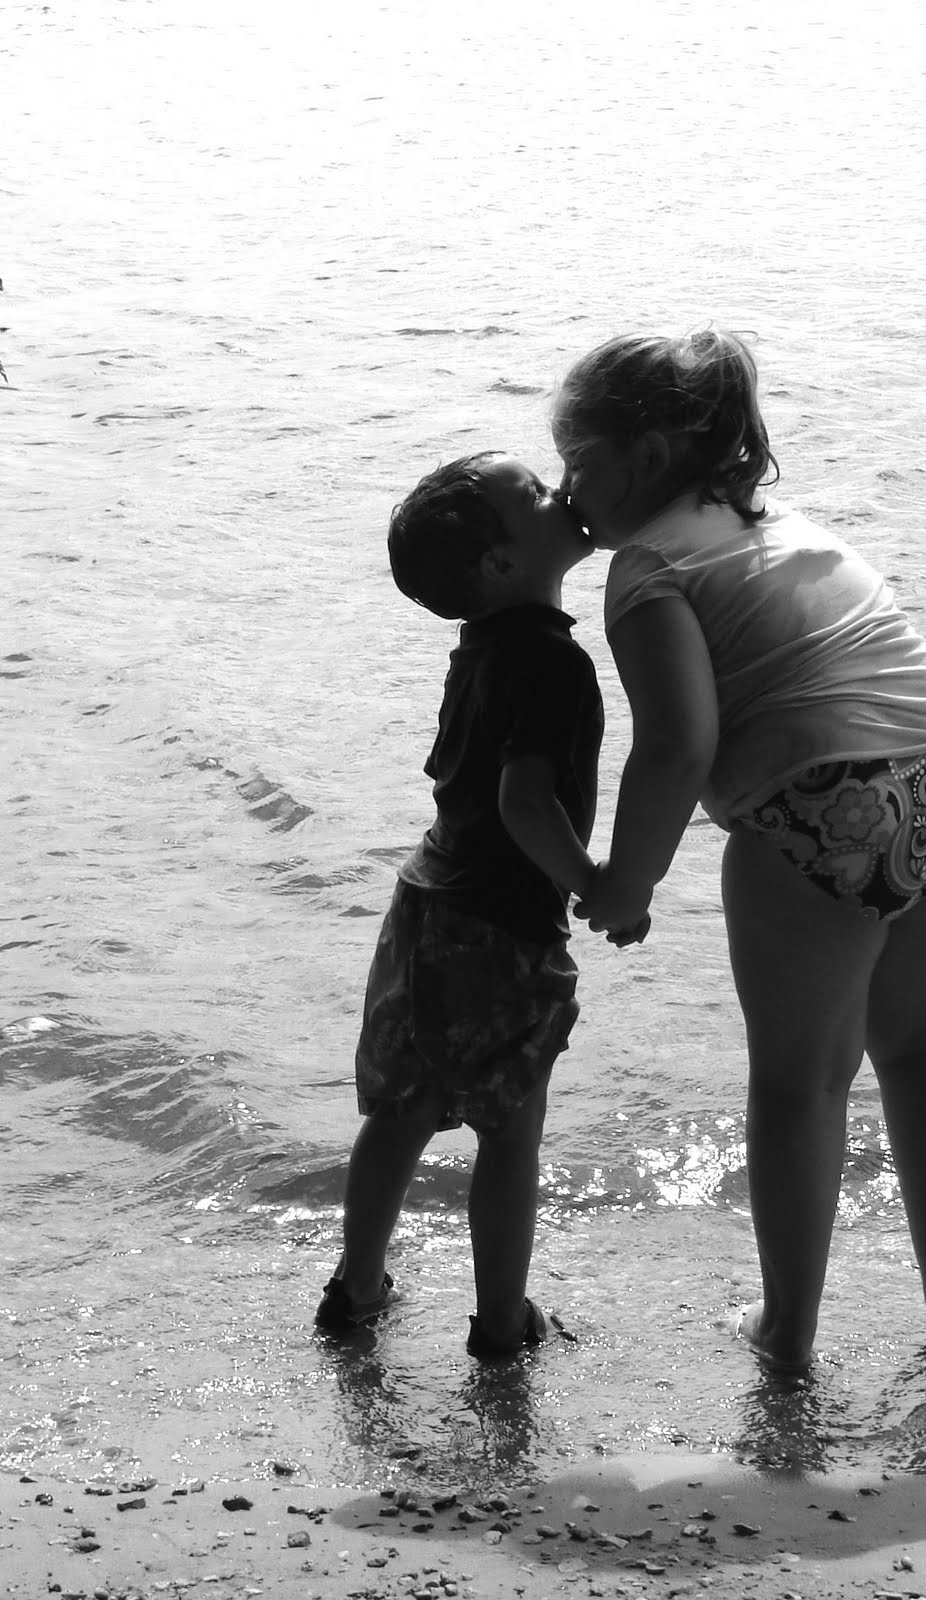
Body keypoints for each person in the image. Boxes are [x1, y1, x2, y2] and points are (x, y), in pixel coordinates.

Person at [553, 330, 926, 1370]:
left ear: (644, 453)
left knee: (800, 1081)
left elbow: (678, 745)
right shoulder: (782, 527)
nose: (564, 488)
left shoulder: (647, 566)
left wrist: (628, 882)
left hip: (828, 802)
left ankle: (789, 1332)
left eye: (576, 460)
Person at [316, 451, 631, 1353]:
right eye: (533, 493)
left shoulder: (484, 649)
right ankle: (500, 1324)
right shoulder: (552, 660)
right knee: (510, 1129)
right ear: (500, 562)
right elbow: (525, 803)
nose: (559, 489)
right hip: (497, 926)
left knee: (401, 1112)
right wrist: (598, 885)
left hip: (427, 906)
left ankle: (358, 1288)